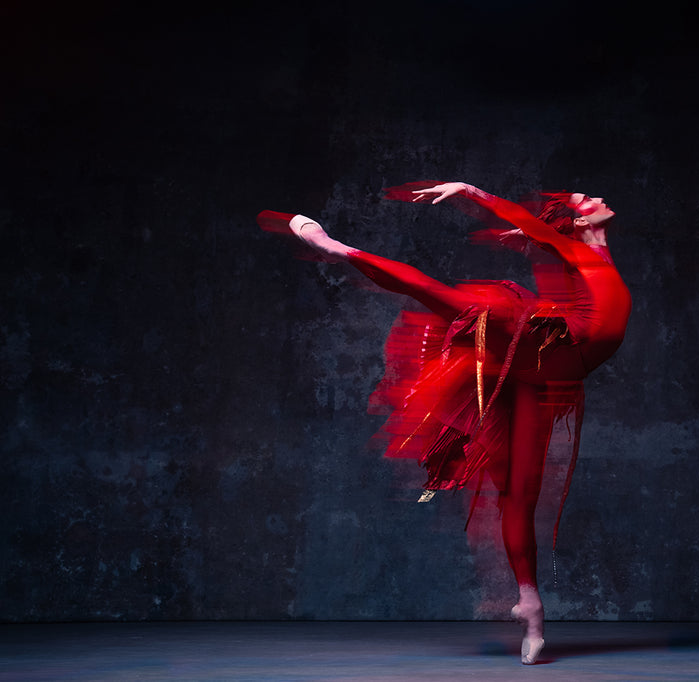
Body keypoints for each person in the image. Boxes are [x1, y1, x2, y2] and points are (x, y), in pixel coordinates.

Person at [258, 181, 631, 664]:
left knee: (519, 492)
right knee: (447, 298)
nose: (596, 198)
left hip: (543, 372)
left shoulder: (588, 252)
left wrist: (517, 227)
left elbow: (541, 236)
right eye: (586, 202)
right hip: (545, 344)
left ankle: (531, 607)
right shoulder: (572, 247)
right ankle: (335, 247)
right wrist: (472, 192)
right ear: (581, 222)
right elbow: (535, 225)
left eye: (587, 198)